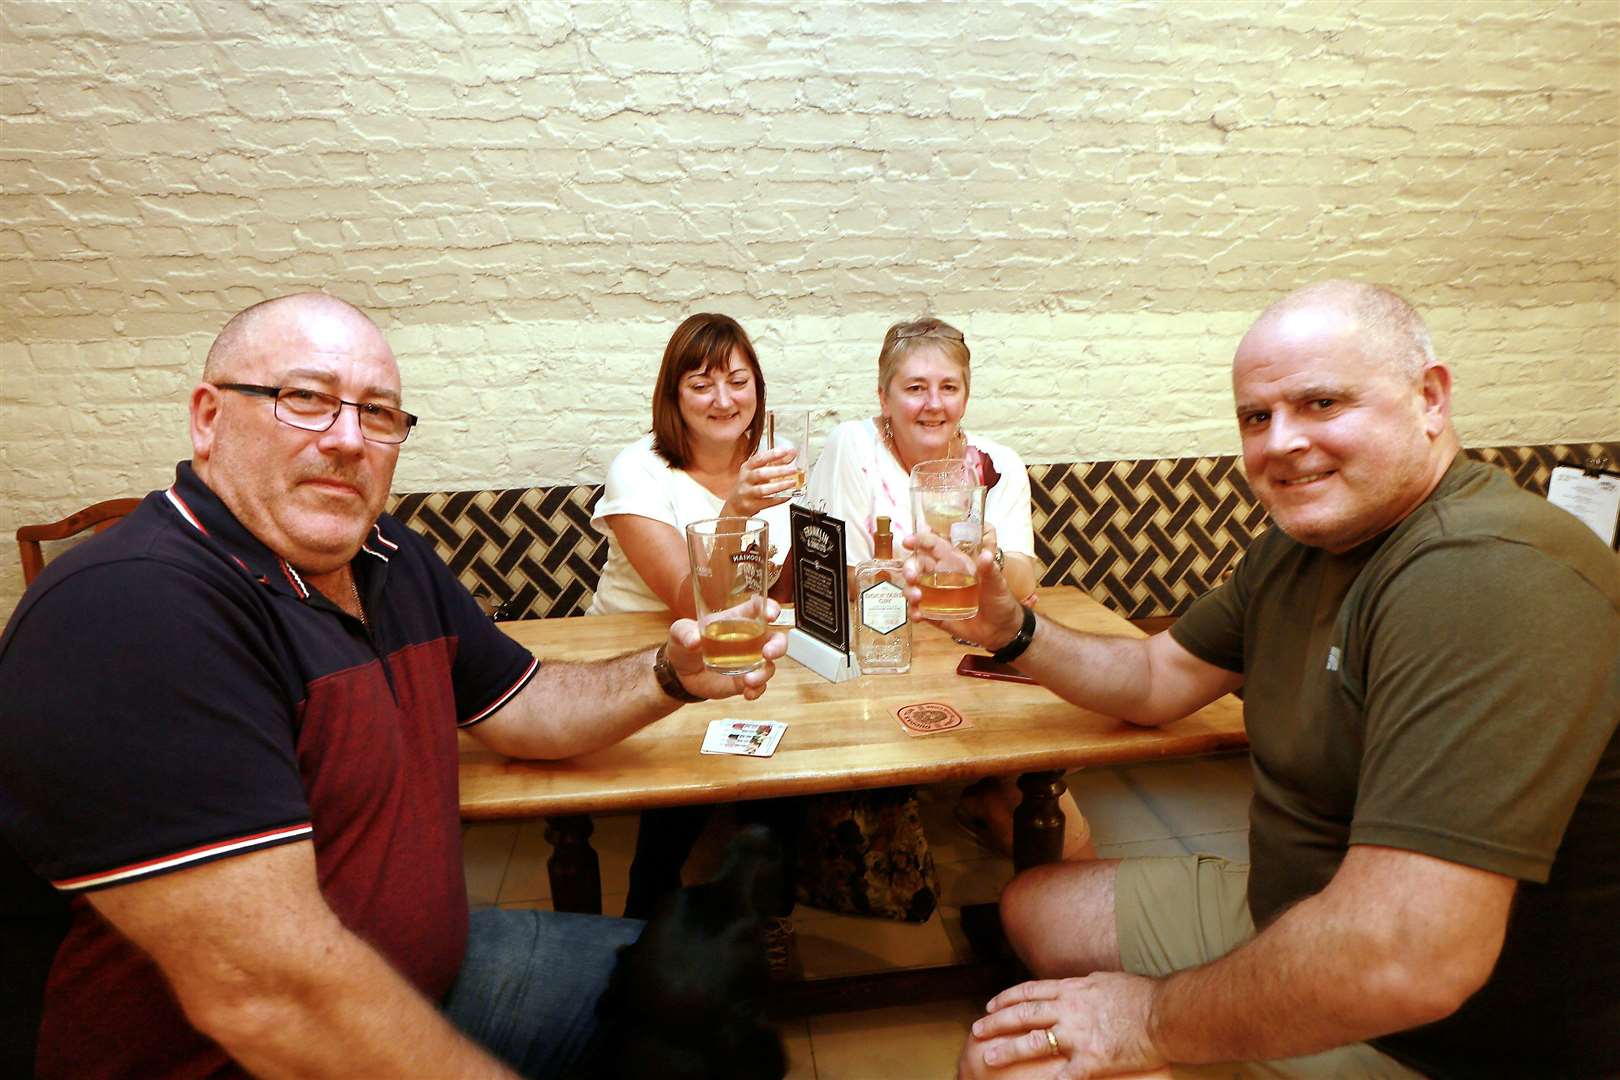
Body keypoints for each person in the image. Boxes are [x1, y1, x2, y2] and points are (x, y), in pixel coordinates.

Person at [0, 293, 788, 1080]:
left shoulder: (391, 559)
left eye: (378, 413)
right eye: (304, 399)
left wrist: (669, 675)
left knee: (711, 1003)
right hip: (240, 1056)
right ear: (208, 418)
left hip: (426, 971)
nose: (348, 439)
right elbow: (270, 998)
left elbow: (529, 706)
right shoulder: (134, 607)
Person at [915, 281, 1618, 1079]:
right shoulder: (1297, 549)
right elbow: (1152, 677)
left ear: (1430, 398)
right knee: (1031, 905)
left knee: (999, 1065)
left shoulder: (1490, 576)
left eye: (1321, 403)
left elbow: (1409, 958)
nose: (1281, 441)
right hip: (1293, 907)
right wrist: (1013, 630)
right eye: (1257, 416)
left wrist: (1147, 1020)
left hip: (1445, 1031)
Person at [805, 317, 1091, 860]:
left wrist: (989, 556)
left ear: (966, 394)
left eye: (948, 388)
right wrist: (928, 573)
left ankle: (1047, 898)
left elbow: (1026, 576)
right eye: (914, 388)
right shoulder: (851, 447)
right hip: (882, 658)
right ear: (883, 396)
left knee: (1059, 804)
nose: (933, 404)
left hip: (972, 654)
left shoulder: (996, 464)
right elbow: (832, 575)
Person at [588, 312, 801, 938]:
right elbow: (690, 602)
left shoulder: (774, 467)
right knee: (678, 772)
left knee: (793, 759)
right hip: (641, 661)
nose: (724, 399)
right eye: (701, 384)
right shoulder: (640, 469)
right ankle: (646, 920)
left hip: (736, 655)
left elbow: (773, 585)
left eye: (738, 380)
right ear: (673, 395)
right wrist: (735, 508)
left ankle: (767, 920)